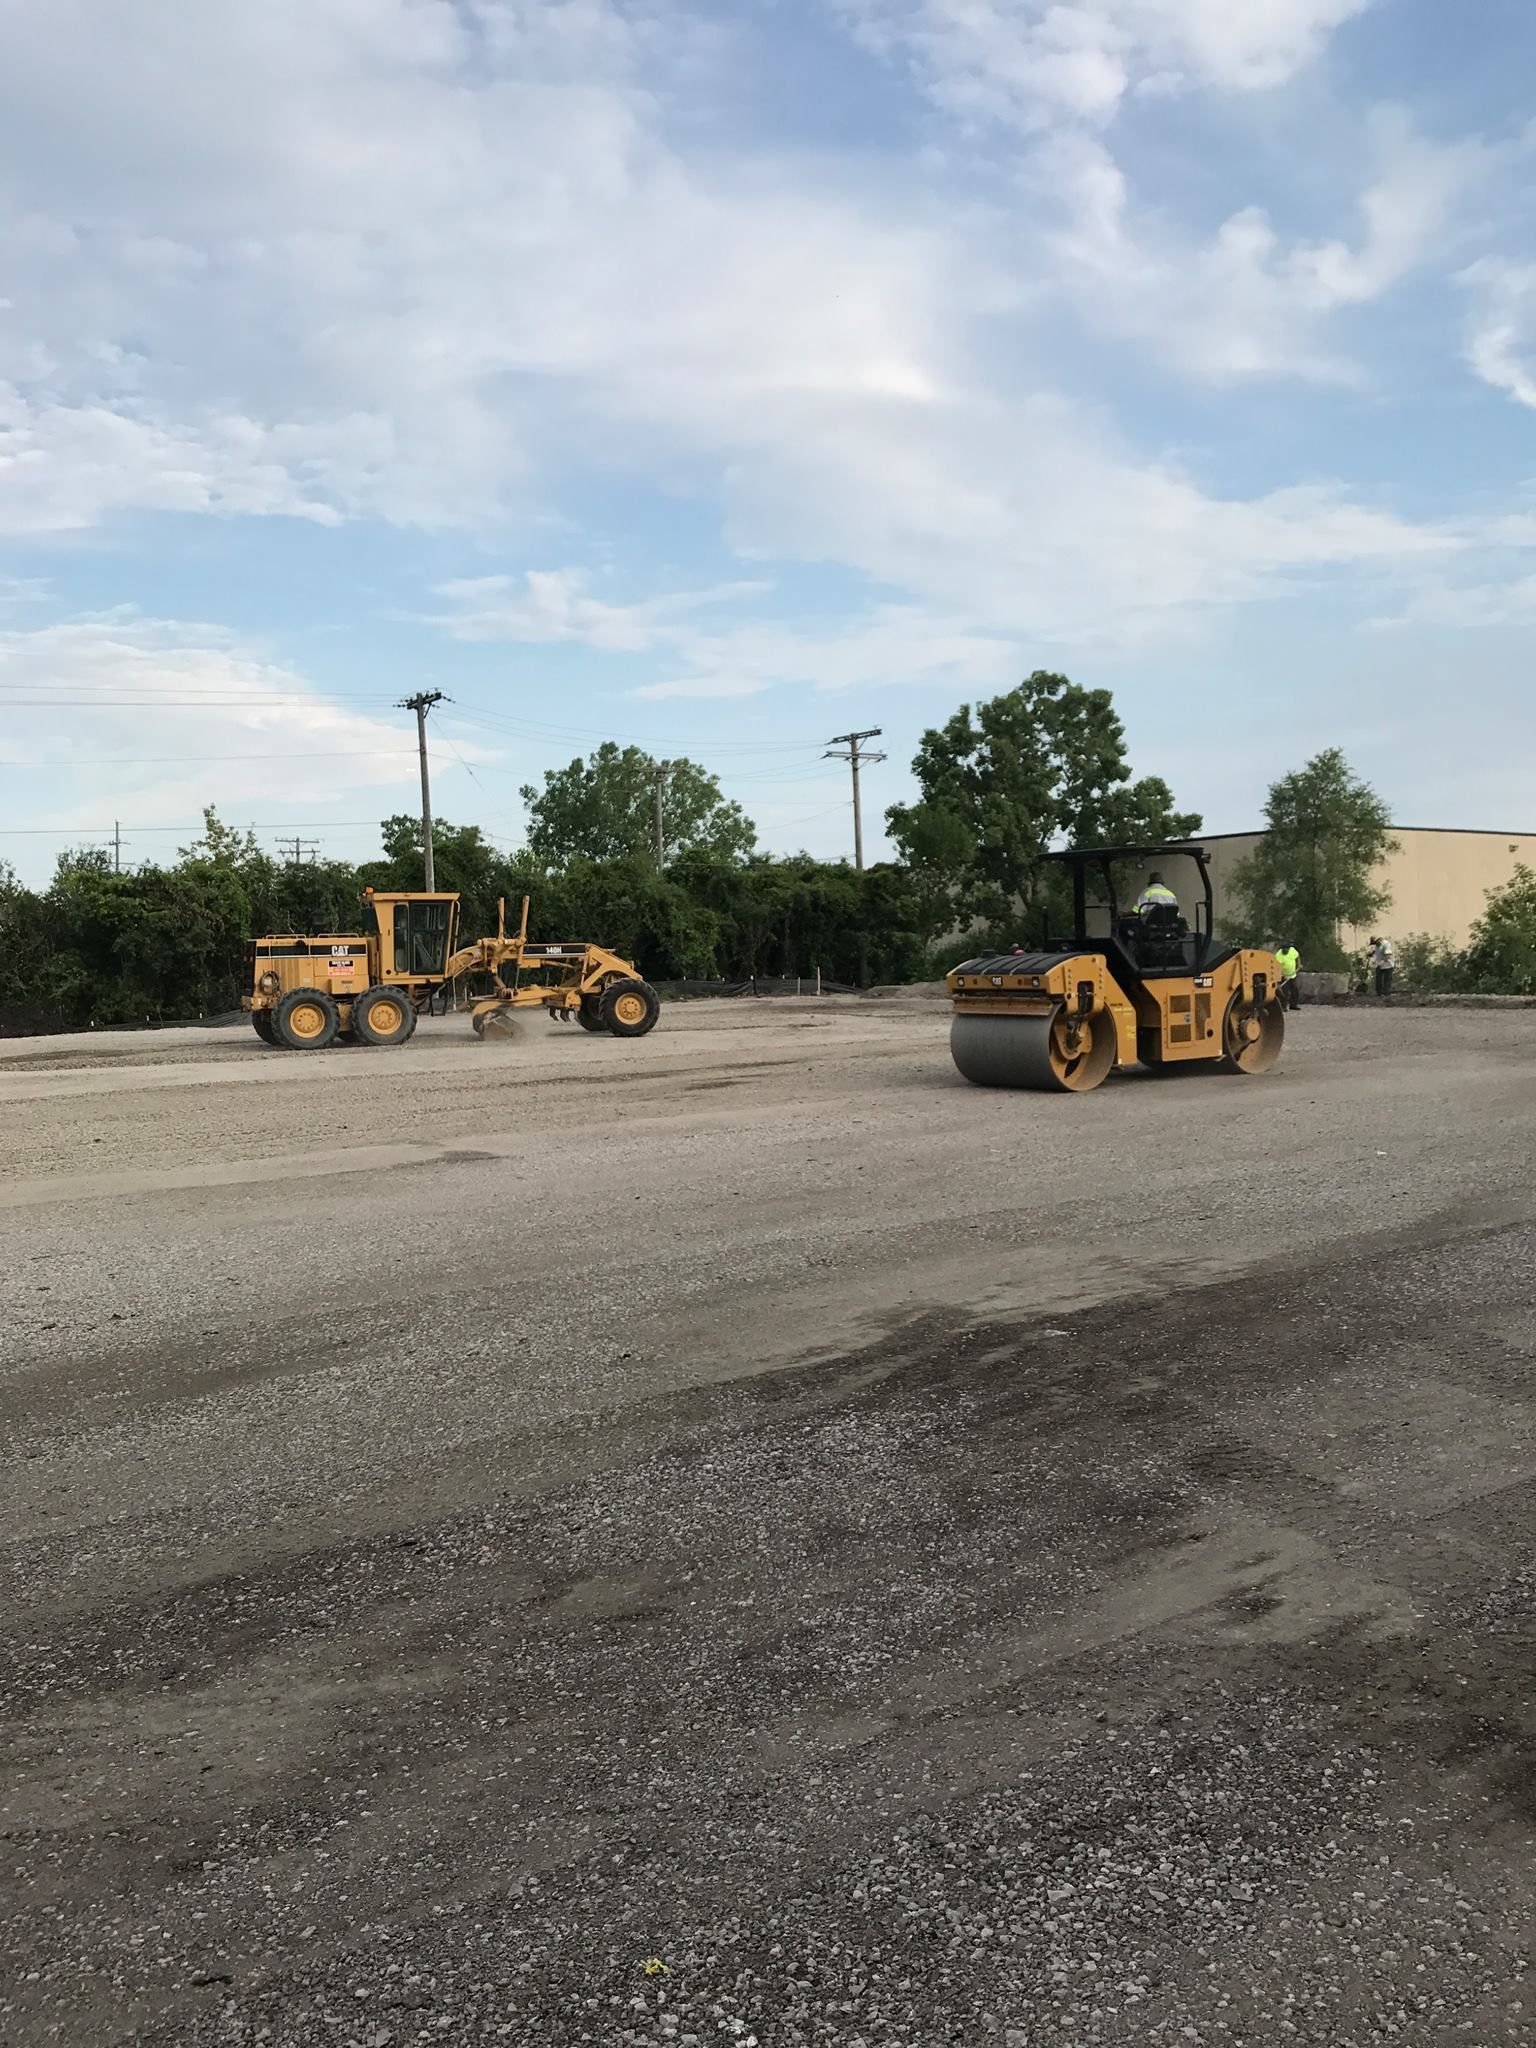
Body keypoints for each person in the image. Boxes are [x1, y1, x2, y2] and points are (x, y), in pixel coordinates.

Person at [1275, 941, 1300, 1010]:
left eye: (1287, 949)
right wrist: (1280, 977)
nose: (1285, 950)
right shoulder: (1278, 955)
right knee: (1284, 992)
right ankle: (1283, 1006)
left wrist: (1299, 964)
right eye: (1284, 949)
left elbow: (1297, 956)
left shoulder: (1292, 950)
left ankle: (1293, 1005)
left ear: (1289, 948)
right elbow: (1277, 968)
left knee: (1295, 990)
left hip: (1293, 975)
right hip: (1284, 976)